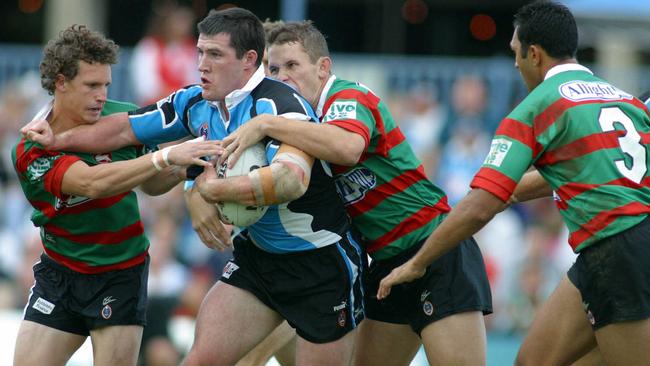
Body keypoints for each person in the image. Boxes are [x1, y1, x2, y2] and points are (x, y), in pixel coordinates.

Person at [21, 8, 364, 366]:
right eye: (200, 52)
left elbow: (291, 180)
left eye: (214, 54)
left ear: (249, 60)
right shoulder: (195, 102)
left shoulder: (279, 104)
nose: (201, 64)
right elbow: (123, 129)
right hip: (258, 261)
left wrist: (210, 191)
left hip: (322, 266)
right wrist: (58, 138)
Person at [377, 1, 650, 365]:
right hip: (616, 247)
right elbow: (586, 171)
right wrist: (510, 192)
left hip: (616, 251)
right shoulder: (626, 100)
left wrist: (418, 261)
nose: (515, 64)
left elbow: (479, 206)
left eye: (515, 53)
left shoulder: (536, 107)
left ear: (534, 54)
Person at [221, 21, 492, 366]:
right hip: (384, 266)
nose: (283, 76)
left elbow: (348, 148)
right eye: (274, 69)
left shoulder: (346, 96)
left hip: (435, 248)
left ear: (323, 68)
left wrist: (264, 123)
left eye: (292, 65)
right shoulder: (298, 124)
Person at [12, 25, 219, 366]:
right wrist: (166, 157)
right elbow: (94, 183)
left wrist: (186, 166)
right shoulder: (31, 145)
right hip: (60, 273)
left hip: (121, 271)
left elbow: (151, 184)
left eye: (106, 84)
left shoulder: (123, 118)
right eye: (91, 85)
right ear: (61, 82)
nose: (102, 96)